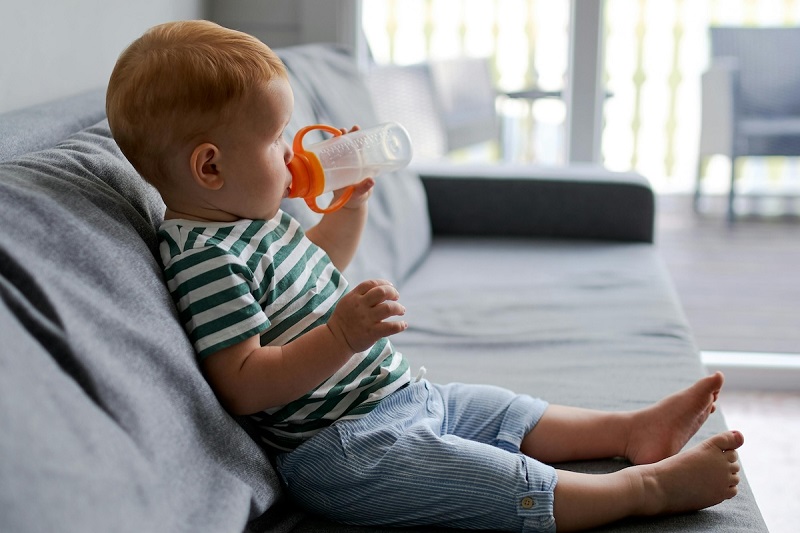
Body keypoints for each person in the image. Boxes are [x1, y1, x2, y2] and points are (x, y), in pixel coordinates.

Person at [106, 20, 744, 533]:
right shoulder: (205, 259)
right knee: (493, 483)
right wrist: (341, 337)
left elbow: (322, 264)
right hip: (345, 451)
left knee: (503, 410)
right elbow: (244, 383)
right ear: (210, 167)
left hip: (401, 396)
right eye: (276, 141)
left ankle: (632, 430)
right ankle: (644, 490)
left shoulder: (252, 220)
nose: (293, 148)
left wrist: (351, 205)